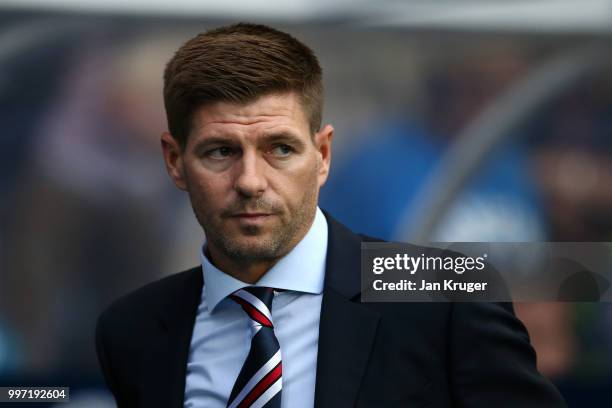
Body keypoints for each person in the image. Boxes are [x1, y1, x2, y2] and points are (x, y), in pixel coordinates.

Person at [95, 23, 566, 407]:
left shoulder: (446, 295)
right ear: (175, 161)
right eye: (220, 152)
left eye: (280, 149)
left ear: (322, 155)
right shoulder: (133, 330)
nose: (251, 181)